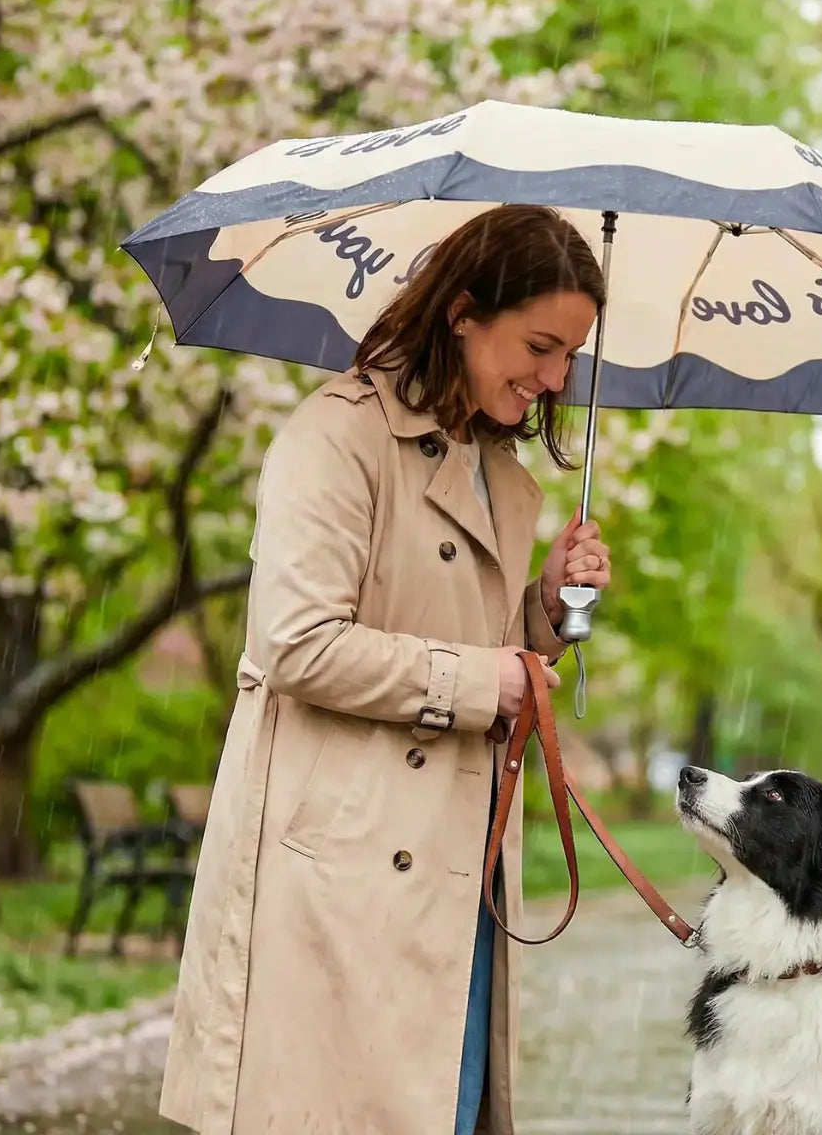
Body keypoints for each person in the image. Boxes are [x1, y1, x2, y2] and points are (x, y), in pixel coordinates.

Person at [158, 204, 611, 1135]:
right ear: (463, 314)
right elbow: (296, 640)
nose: (556, 377)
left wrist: (547, 608)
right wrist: (487, 683)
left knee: (441, 1108)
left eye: (571, 355)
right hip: (343, 869)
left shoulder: (494, 465)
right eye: (540, 344)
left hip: (458, 866)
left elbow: (458, 629)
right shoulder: (336, 438)